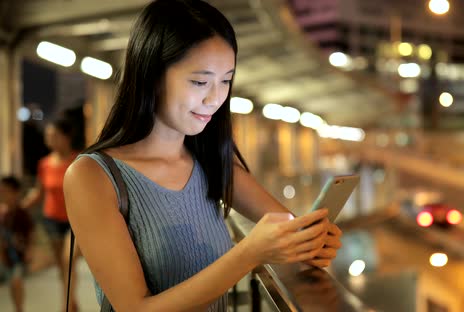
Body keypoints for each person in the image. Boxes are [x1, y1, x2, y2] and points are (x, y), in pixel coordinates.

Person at [63, 0, 343, 311]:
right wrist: (250, 252)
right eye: (199, 82)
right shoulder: (92, 176)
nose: (215, 99)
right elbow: (134, 308)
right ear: (152, 75)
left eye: (225, 81)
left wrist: (309, 241)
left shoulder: (212, 160)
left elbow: (284, 227)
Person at [21, 117, 80, 312]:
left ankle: (66, 306)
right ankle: (71, 302)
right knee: (62, 268)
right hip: (52, 219)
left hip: (75, 221)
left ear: (66, 136)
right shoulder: (44, 164)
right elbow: (39, 193)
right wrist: (19, 206)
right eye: (48, 135)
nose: (50, 139)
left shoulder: (79, 160)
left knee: (68, 261)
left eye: (54, 135)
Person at [0, 176, 34, 312]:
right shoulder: (2, 213)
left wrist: (29, 251)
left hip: (18, 255)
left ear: (16, 192)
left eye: (5, 191)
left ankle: (19, 308)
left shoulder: (22, 213)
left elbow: (31, 233)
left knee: (16, 282)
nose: (2, 195)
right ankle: (17, 307)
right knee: (12, 285)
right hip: (5, 256)